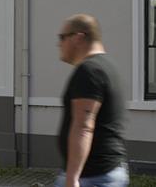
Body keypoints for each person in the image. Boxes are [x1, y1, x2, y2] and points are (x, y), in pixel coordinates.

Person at [54, 14, 128, 187]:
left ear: (78, 37)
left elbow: (84, 127)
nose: (59, 43)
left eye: (62, 37)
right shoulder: (108, 67)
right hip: (106, 172)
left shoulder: (89, 71)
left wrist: (72, 178)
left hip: (92, 177)